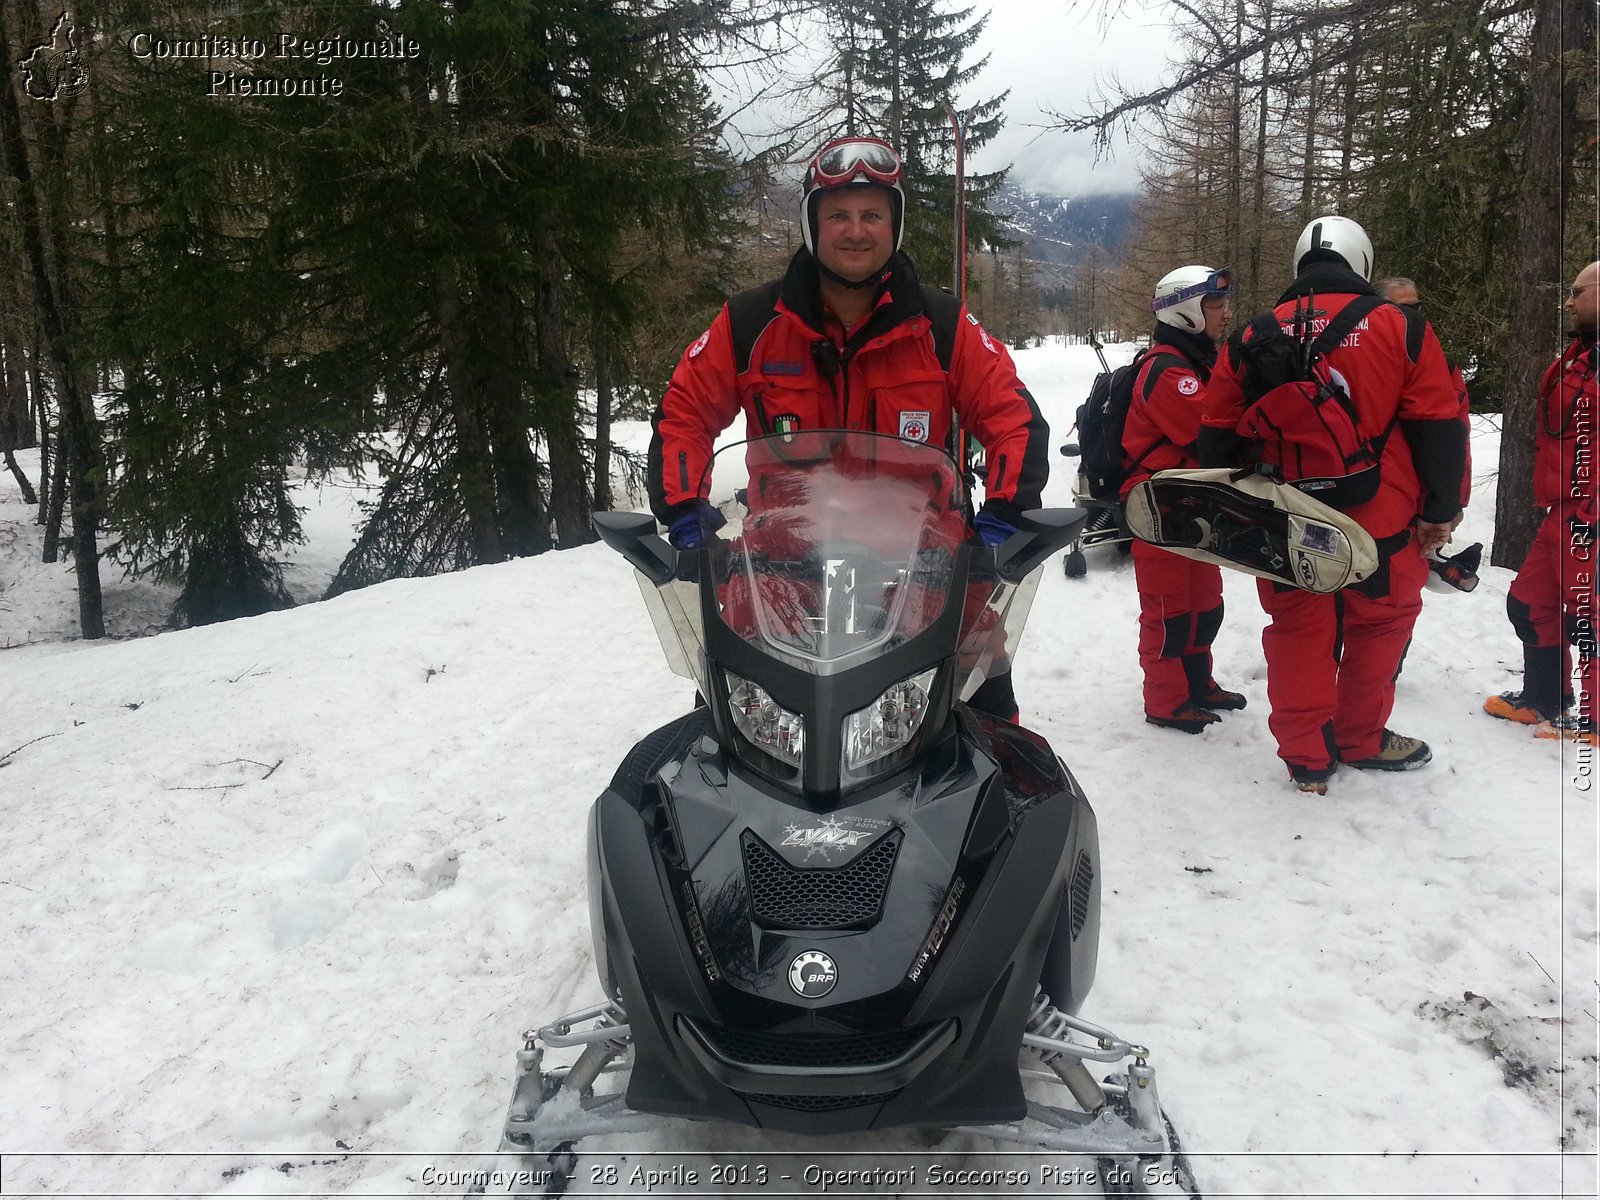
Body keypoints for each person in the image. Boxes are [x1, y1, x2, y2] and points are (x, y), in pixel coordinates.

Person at [648, 135, 1049, 721]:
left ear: (895, 226)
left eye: (871, 216)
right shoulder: (751, 322)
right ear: (814, 223)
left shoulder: (941, 325)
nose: (855, 231)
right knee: (722, 713)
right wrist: (684, 512)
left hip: (921, 567)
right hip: (780, 569)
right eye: (838, 215)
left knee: (984, 682)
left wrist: (1003, 519)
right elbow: (683, 413)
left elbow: (1013, 416)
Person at [1199, 216, 1467, 794]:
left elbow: (1217, 436)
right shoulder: (1400, 326)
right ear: (1361, 263)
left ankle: (1305, 758)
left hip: (1289, 518)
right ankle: (1361, 738)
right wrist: (1442, 509)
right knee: (1381, 625)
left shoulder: (1250, 335)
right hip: (1383, 519)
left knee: (1298, 627)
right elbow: (1441, 426)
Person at [1121, 264, 1247, 733]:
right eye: (1214, 305)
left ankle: (1198, 684)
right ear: (1186, 311)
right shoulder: (1169, 371)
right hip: (1159, 509)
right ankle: (1166, 701)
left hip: (1194, 506)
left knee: (1204, 602)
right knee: (1167, 610)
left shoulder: (1199, 362)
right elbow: (1207, 435)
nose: (1224, 313)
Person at [1483, 260, 1600, 745]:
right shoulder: (1579, 355)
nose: (1568, 301)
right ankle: (1545, 698)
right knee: (1529, 603)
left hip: (1591, 514)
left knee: (1589, 616)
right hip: (1564, 509)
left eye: (1578, 291)